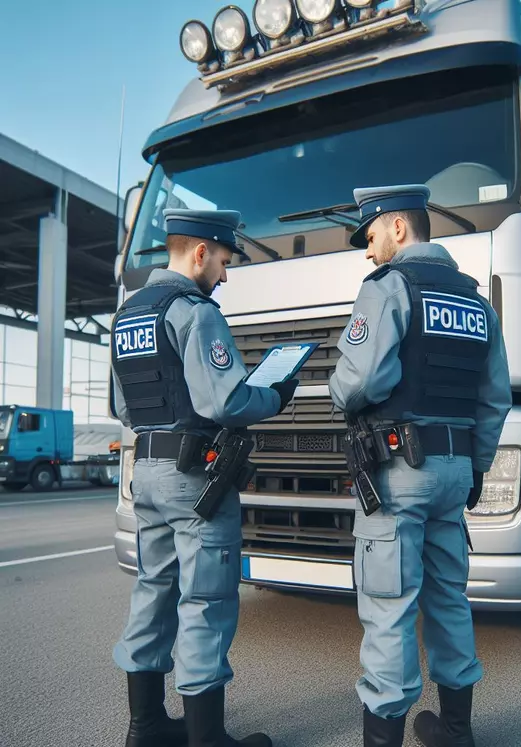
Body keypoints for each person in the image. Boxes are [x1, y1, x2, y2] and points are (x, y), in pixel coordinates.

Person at [329, 185, 512, 747]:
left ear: (398, 228)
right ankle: (456, 731)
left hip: (399, 472)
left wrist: (336, 391)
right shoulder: (476, 303)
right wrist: (476, 466)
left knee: (390, 604)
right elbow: (495, 398)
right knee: (449, 599)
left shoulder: (389, 288)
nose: (367, 250)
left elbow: (361, 381)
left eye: (372, 235)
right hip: (456, 470)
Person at [110, 209, 298, 747]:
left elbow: (126, 406)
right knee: (206, 601)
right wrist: (275, 394)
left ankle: (144, 728)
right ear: (199, 252)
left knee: (153, 591)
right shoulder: (196, 313)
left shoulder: (129, 315)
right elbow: (227, 400)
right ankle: (206, 738)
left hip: (145, 470)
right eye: (222, 260)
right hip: (193, 478)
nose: (224, 274)